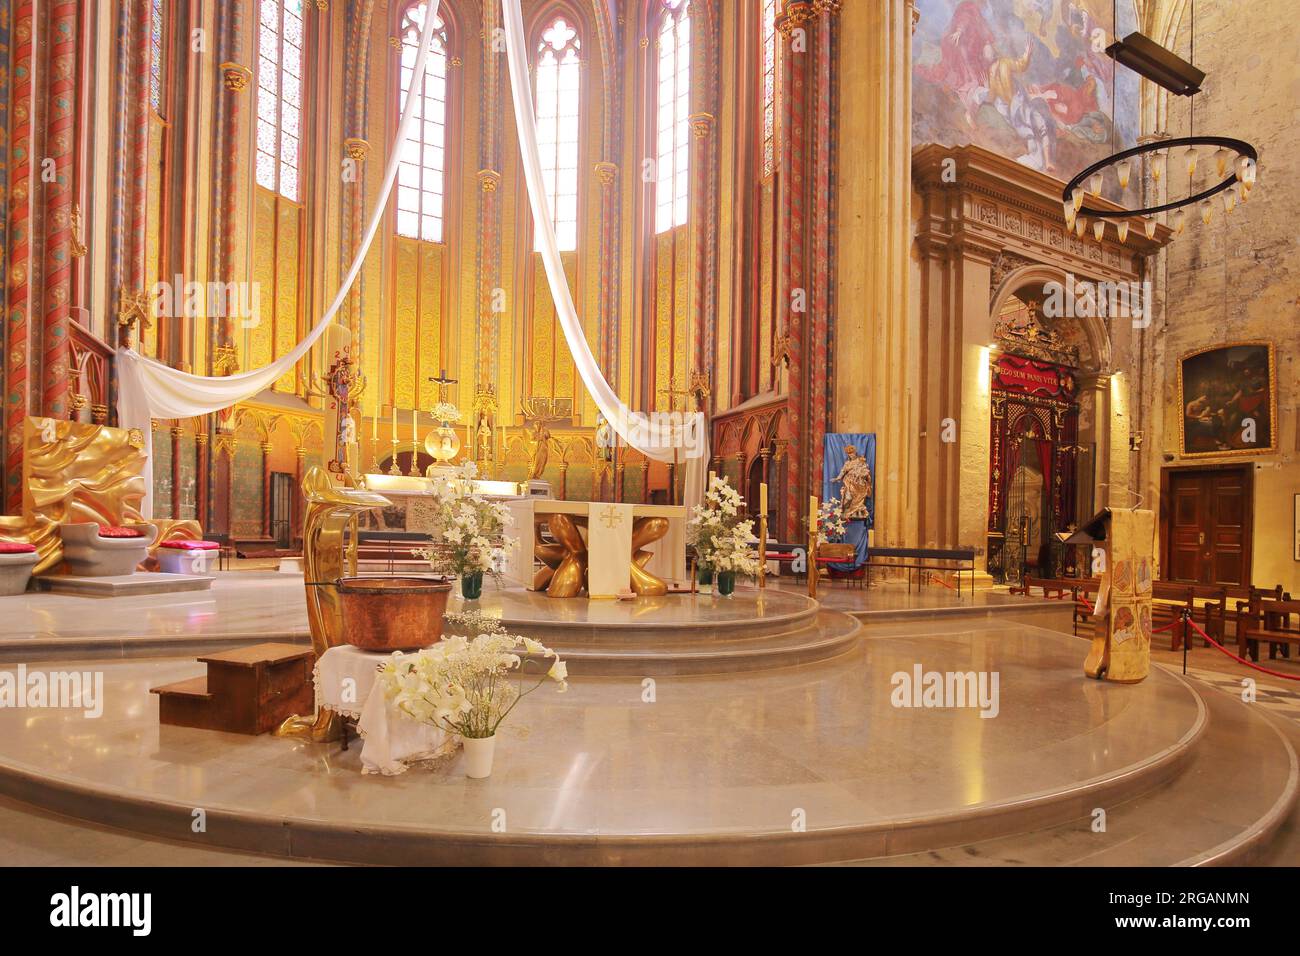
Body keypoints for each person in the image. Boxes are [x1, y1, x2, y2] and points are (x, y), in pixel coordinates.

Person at [833, 445, 873, 522]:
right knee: (848, 497)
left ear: (855, 453)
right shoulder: (847, 463)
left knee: (858, 498)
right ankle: (848, 511)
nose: (851, 455)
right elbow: (843, 471)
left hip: (859, 483)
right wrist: (837, 478)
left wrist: (863, 474)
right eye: (849, 454)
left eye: (852, 453)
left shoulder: (860, 461)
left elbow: (866, 470)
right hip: (849, 482)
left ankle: (856, 512)